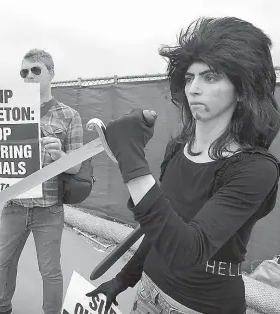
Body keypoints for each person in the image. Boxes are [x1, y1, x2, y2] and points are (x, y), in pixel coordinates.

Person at [86, 17, 280, 314]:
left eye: (211, 77)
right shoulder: (179, 147)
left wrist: (131, 159)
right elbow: (160, 229)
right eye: (190, 78)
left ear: (242, 90)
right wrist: (123, 279)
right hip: (148, 292)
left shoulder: (255, 169)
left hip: (199, 306)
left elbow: (187, 251)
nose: (194, 89)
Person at [0, 48, 84, 314]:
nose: (28, 76)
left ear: (51, 73)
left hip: (49, 207)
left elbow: (76, 167)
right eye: (23, 72)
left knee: (50, 271)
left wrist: (60, 155)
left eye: (35, 70)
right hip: (14, 203)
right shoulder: (5, 111)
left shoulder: (69, 116)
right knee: (5, 263)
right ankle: (0, 308)